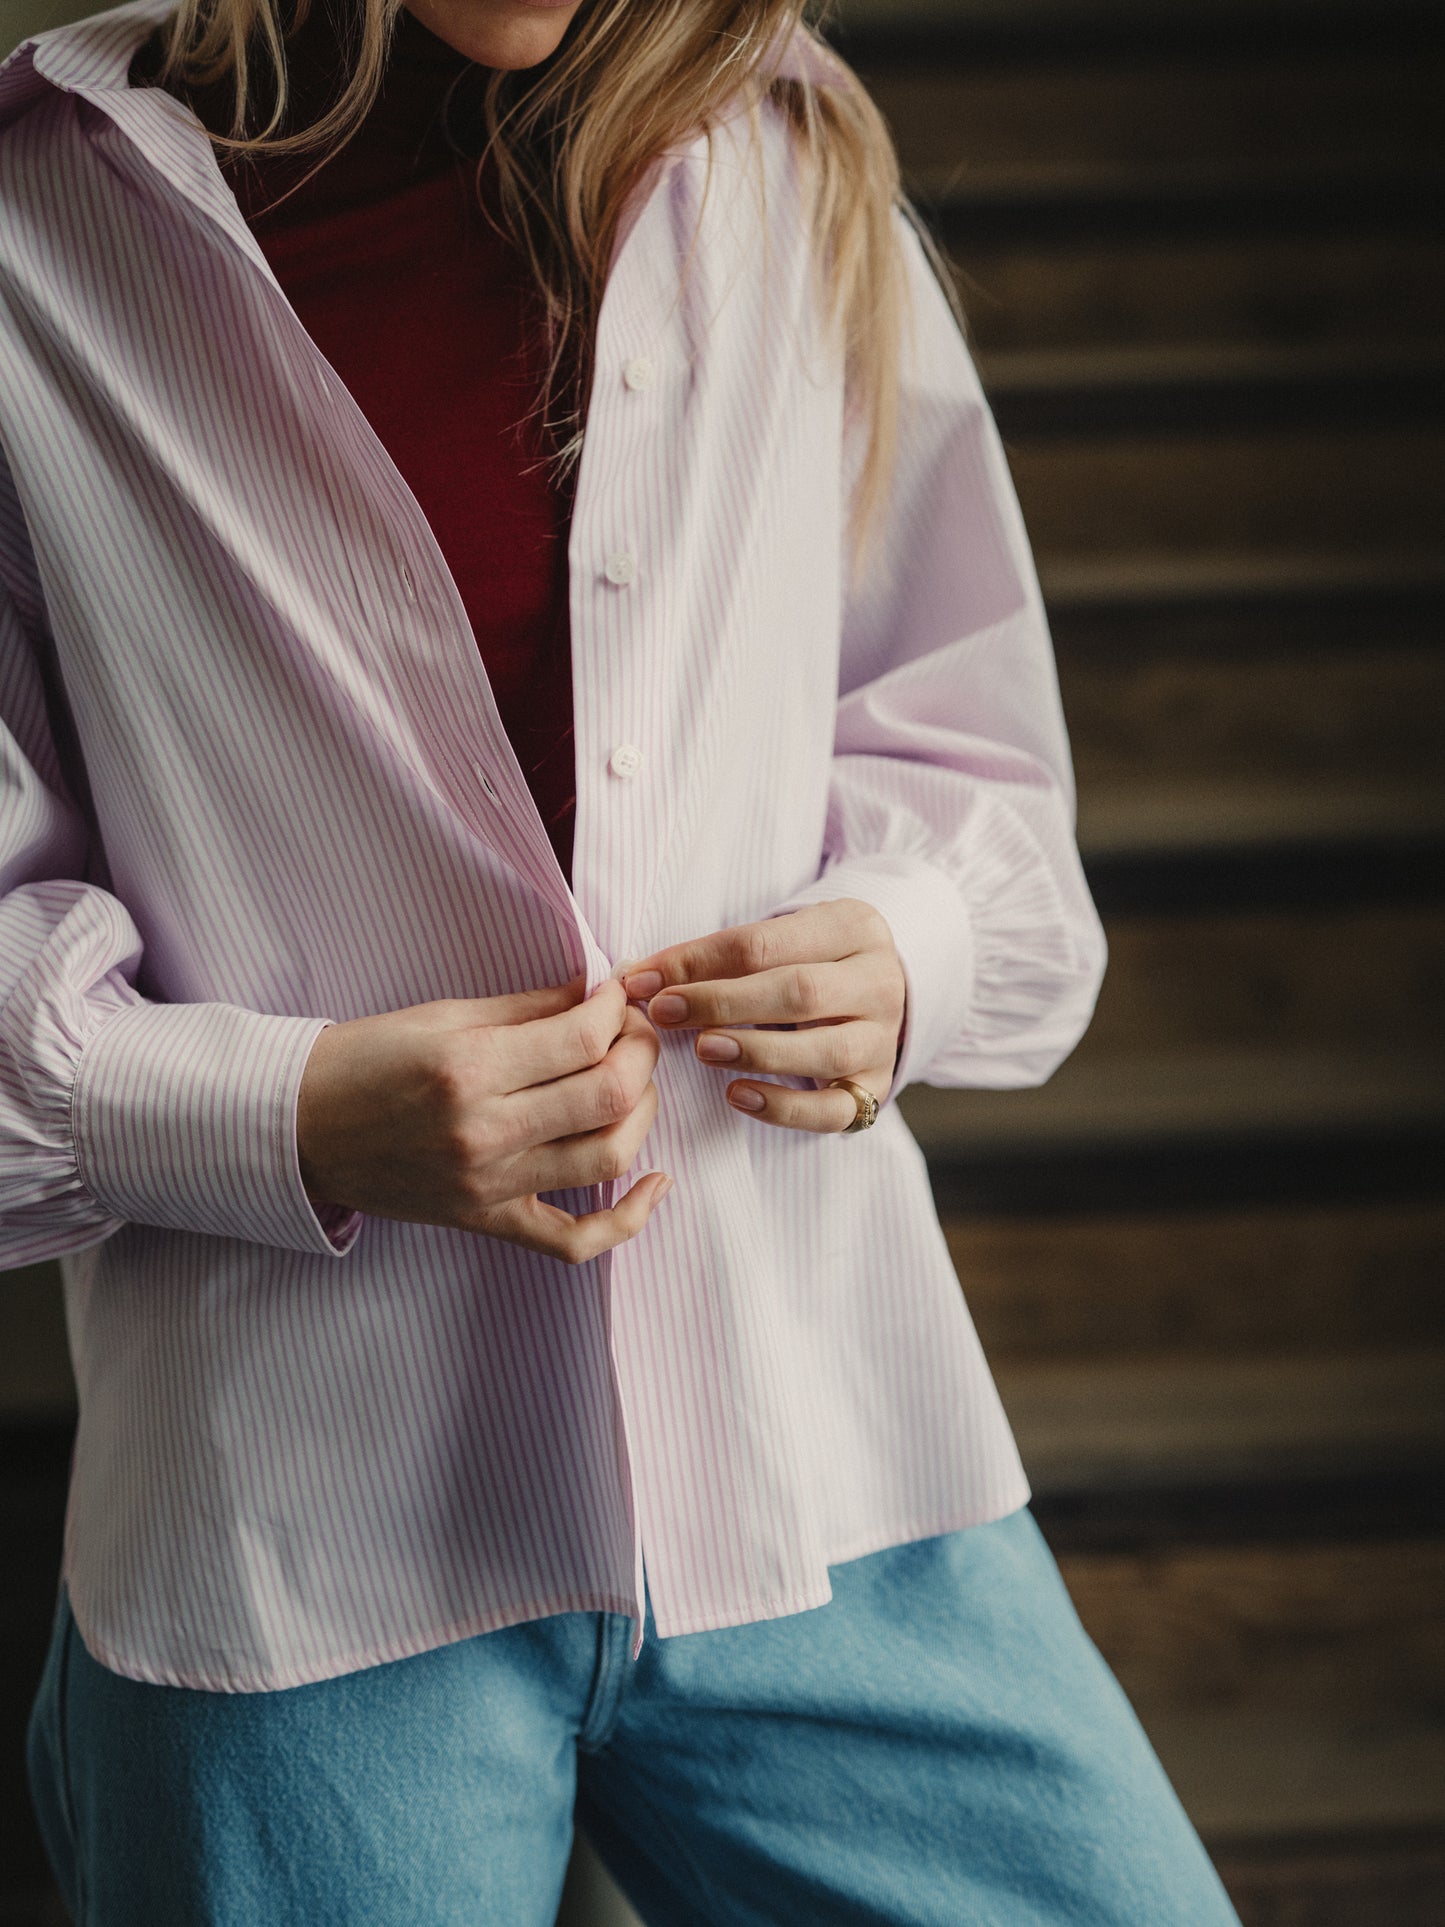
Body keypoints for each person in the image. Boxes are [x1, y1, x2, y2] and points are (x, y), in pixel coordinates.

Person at [0, 0, 1241, 1920]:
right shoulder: (28, 235)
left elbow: (977, 780)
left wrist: (900, 956)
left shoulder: (791, 160)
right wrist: (292, 1118)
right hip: (296, 1559)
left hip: (831, 1473)